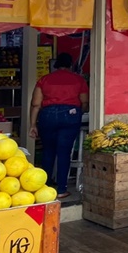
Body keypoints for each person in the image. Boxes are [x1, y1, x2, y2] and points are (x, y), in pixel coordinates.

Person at [29, 53, 89, 199]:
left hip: (48, 116)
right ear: (70, 65)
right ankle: (62, 189)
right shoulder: (78, 80)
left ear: (56, 65)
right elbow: (85, 102)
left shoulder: (45, 79)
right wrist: (79, 112)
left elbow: (36, 104)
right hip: (70, 115)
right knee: (64, 153)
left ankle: (45, 187)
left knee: (48, 152)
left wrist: (32, 124)